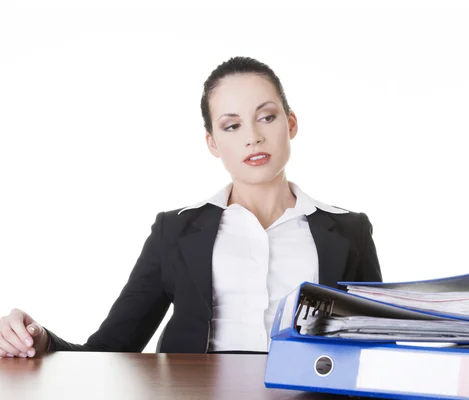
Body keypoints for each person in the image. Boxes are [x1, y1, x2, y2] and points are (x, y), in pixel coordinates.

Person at [0, 56, 383, 358]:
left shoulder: (349, 231)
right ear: (213, 142)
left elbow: (378, 347)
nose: (253, 136)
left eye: (266, 117)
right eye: (231, 126)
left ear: (291, 123)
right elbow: (110, 350)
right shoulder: (175, 231)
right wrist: (38, 338)